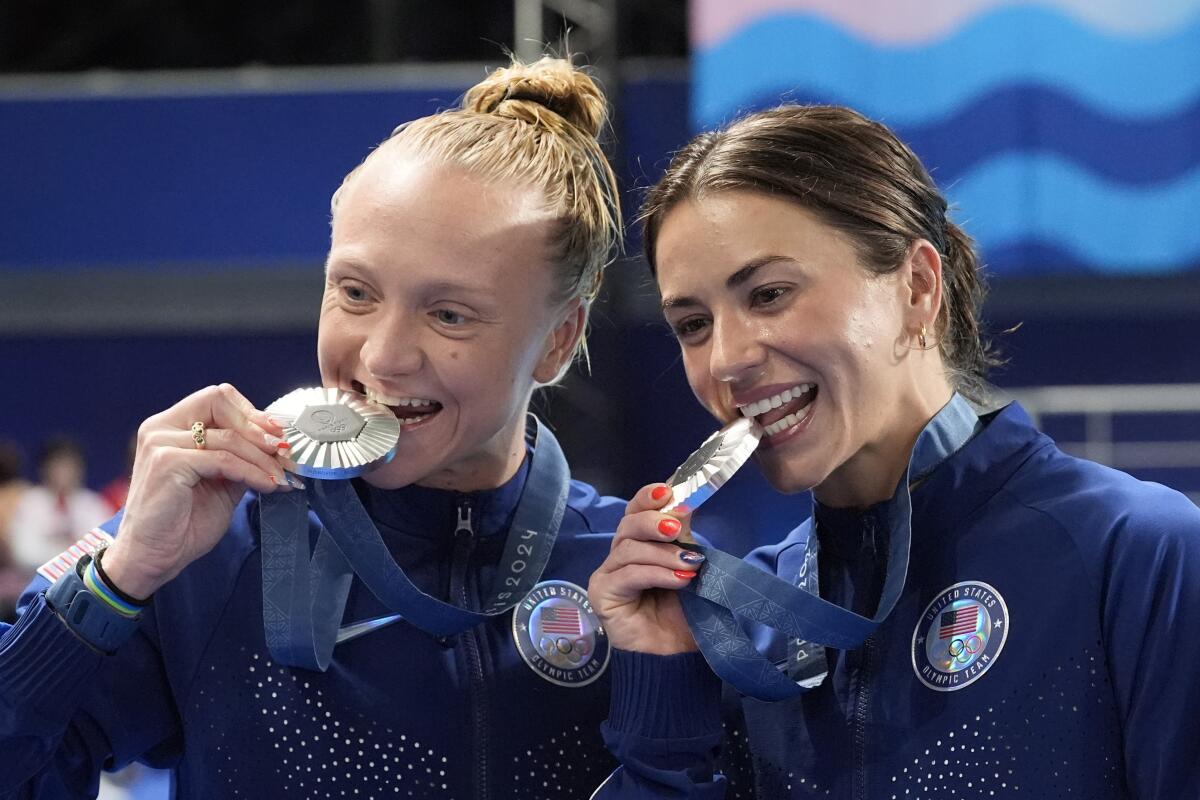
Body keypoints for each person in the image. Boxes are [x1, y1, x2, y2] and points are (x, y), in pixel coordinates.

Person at [0, 56, 628, 798]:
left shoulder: (626, 575)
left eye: (449, 313)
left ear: (559, 340)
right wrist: (116, 578)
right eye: (356, 292)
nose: (383, 355)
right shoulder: (215, 551)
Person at [587, 104, 1200, 798]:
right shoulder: (741, 624)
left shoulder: (1134, 551)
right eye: (692, 324)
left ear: (916, 287)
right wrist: (662, 683)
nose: (726, 359)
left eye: (769, 294)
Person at [8, 437, 111, 572]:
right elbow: (23, 553)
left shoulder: (93, 505)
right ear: (44, 469)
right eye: (58, 466)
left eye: (70, 466)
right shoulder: (30, 503)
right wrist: (67, 552)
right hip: (37, 581)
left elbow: (105, 549)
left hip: (84, 581)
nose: (64, 473)